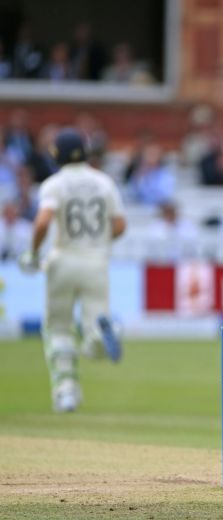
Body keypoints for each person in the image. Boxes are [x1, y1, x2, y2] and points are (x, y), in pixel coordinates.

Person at [17, 129, 126, 413]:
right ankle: (103, 333)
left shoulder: (55, 184)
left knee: (58, 328)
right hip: (96, 262)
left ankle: (66, 392)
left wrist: (32, 253)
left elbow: (42, 223)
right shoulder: (104, 182)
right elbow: (120, 225)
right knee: (92, 327)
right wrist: (99, 240)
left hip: (62, 260)